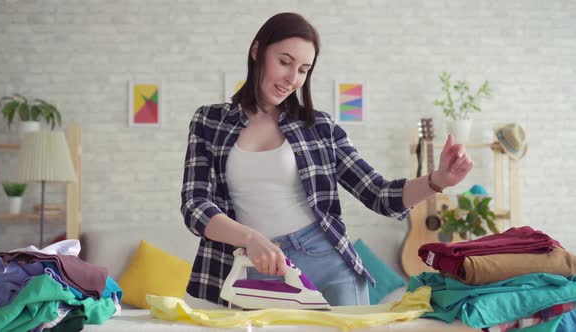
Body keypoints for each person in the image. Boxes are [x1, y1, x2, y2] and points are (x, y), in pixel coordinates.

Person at [181, 12, 473, 307]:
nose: (291, 79)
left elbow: (378, 193)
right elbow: (195, 204)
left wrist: (439, 180)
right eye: (284, 62)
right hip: (256, 267)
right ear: (257, 51)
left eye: (303, 69)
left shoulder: (320, 128)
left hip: (326, 261)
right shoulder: (209, 121)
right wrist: (250, 239)